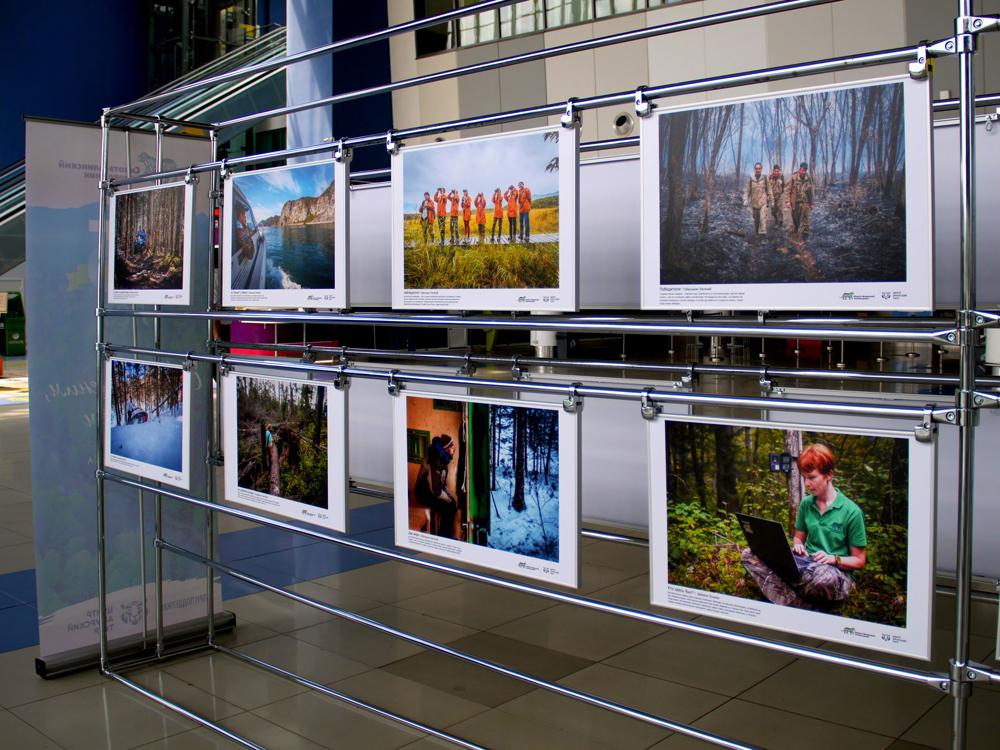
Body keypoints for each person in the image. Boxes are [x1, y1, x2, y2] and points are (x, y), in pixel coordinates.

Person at [741, 443, 867, 608]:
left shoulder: (851, 512)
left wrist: (833, 559)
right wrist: (798, 546)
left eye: (812, 477)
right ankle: (799, 603)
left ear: (829, 474)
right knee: (749, 554)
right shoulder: (806, 504)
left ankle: (784, 595)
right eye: (804, 477)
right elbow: (798, 539)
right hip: (807, 565)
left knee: (823, 579)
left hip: (834, 573)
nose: (807, 484)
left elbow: (859, 560)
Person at [413, 434, 458, 538]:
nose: (454, 450)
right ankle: (444, 536)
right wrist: (447, 498)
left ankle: (443, 533)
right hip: (423, 494)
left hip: (430, 491)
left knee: (452, 503)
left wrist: (448, 496)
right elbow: (436, 490)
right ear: (446, 449)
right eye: (452, 447)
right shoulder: (435, 459)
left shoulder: (442, 459)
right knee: (448, 507)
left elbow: (441, 484)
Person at [787, 161, 815, 237]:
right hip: (795, 201)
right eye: (802, 170)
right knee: (796, 218)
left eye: (805, 170)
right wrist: (788, 201)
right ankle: (795, 229)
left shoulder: (808, 178)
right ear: (800, 169)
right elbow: (788, 190)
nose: (803, 172)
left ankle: (805, 234)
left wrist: (811, 203)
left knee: (806, 218)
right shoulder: (794, 177)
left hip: (805, 201)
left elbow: (810, 191)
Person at [744, 162, 771, 236]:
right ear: (754, 169)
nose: (758, 170)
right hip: (754, 203)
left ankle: (763, 235)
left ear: (761, 169)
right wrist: (745, 199)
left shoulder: (765, 178)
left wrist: (772, 200)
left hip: (763, 202)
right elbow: (747, 191)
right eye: (756, 168)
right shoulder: (750, 179)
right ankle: (756, 233)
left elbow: (769, 190)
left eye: (759, 168)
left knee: (763, 219)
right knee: (756, 220)